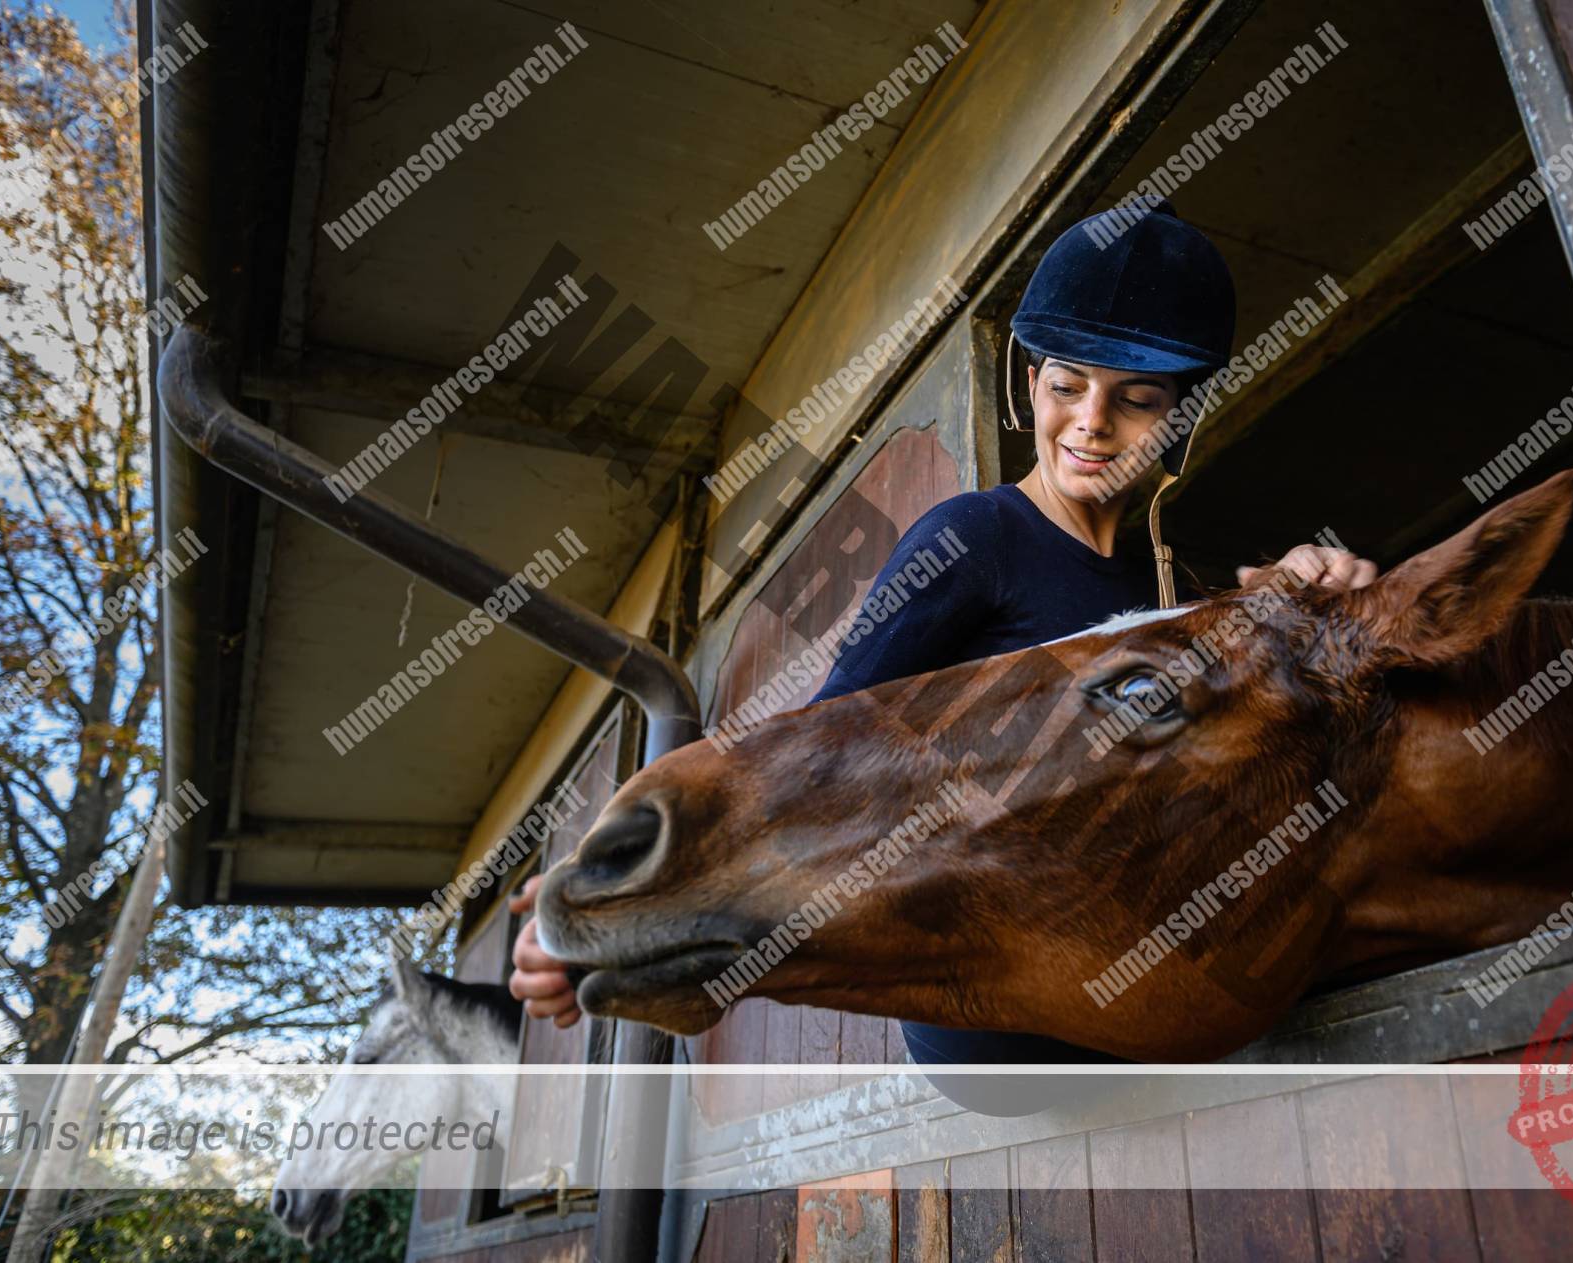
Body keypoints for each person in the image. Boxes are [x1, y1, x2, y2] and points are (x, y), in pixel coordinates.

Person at [507, 202, 1376, 1112]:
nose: (1090, 423)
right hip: (997, 1027)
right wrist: (618, 901)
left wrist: (1300, 604)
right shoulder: (973, 538)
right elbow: (816, 748)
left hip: (1135, 1001)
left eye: (1136, 400)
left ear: (1178, 418)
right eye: (1067, 385)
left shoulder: (1163, 580)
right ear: (1029, 383)